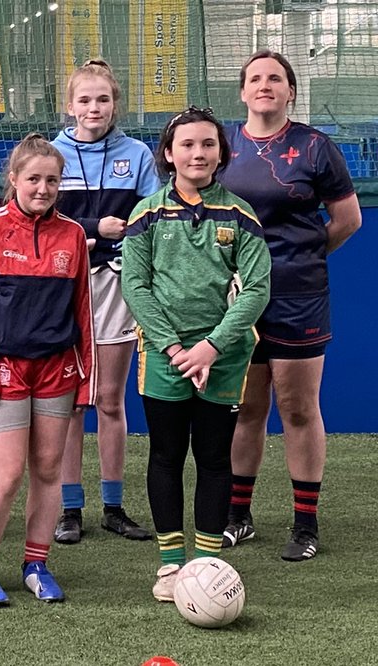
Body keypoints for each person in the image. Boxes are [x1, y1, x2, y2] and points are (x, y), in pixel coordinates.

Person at [121, 107, 271, 601]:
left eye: (208, 144)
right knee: (165, 455)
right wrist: (175, 348)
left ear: (221, 153)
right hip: (166, 356)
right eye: (187, 144)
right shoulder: (146, 214)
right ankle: (169, 566)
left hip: (223, 359)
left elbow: (256, 291)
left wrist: (209, 348)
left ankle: (207, 562)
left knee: (213, 458)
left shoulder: (240, 216)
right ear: (168, 154)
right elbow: (136, 286)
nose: (198, 153)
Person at [218, 50, 362, 562]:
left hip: (299, 297)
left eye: (275, 78)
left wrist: (301, 256)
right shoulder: (223, 144)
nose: (264, 85)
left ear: (290, 91)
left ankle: (305, 525)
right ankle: (238, 518)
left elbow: (347, 221)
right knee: (248, 409)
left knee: (298, 409)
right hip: (236, 301)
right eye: (254, 78)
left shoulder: (316, 147)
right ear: (242, 92)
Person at [0, 134, 95, 606]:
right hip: (7, 369)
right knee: (10, 471)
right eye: (33, 178)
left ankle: (36, 563)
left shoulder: (74, 235)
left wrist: (86, 379)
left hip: (58, 369)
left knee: (48, 469)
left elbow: (83, 311)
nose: (43, 187)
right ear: (12, 179)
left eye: (52, 179)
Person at [51, 60, 161, 544]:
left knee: (110, 401)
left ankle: (113, 506)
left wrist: (121, 236)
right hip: (63, 290)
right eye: (85, 100)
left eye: (103, 99)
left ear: (115, 104)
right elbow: (38, 217)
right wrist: (93, 232)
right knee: (74, 404)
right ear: (69, 105)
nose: (94, 108)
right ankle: (70, 508)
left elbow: (154, 217)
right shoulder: (51, 153)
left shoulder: (136, 154)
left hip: (118, 285)